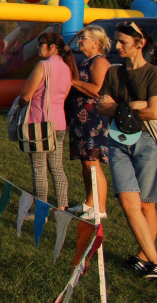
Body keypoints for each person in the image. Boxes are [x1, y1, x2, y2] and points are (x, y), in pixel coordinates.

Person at [96, 21, 157, 279]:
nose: (117, 45)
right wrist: (134, 105)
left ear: (139, 44)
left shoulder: (153, 73)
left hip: (147, 141)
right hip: (118, 139)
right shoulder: (113, 72)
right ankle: (155, 260)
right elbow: (101, 106)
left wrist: (119, 107)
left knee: (146, 205)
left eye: (123, 42)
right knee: (126, 200)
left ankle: (145, 258)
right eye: (117, 41)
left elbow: (154, 111)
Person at [17, 31, 74, 211]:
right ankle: (62, 207)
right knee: (57, 167)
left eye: (41, 43)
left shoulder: (43, 65)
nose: (38, 47)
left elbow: (26, 94)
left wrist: (20, 102)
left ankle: (42, 210)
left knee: (39, 168)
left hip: (39, 123)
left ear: (52, 47)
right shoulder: (67, 68)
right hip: (59, 123)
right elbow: (64, 95)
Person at [66, 25, 111, 220]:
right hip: (81, 119)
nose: (80, 41)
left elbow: (97, 89)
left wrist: (74, 82)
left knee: (93, 163)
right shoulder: (86, 60)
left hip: (94, 120)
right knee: (85, 162)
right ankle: (89, 202)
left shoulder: (100, 62)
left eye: (84, 38)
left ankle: (100, 208)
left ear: (96, 43)